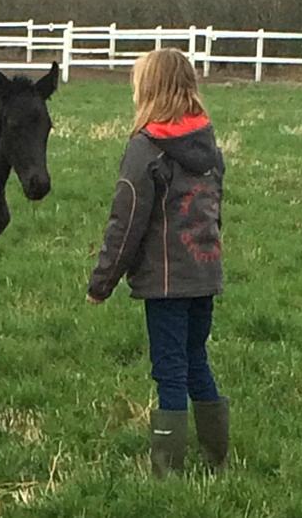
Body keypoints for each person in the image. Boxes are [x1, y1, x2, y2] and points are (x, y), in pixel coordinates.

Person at [86, 48, 228, 477]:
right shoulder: (209, 144)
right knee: (195, 359)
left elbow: (125, 222)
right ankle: (216, 457)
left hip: (165, 283)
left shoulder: (144, 149)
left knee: (168, 371)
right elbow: (216, 211)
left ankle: (168, 471)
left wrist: (102, 282)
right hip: (204, 274)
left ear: (150, 90)